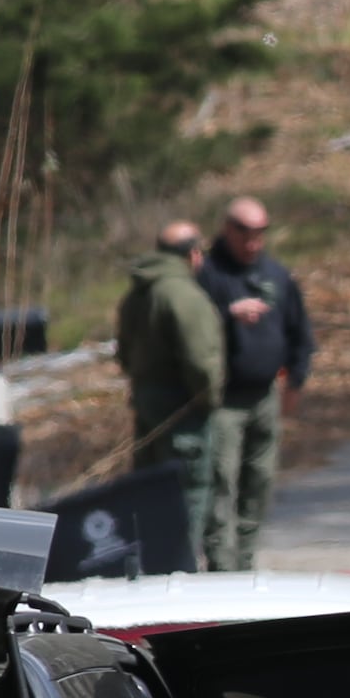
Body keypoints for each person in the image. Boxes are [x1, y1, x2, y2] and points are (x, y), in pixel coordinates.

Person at [191, 197, 315, 571]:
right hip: (223, 400)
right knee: (221, 482)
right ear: (227, 229)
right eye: (244, 232)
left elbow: (300, 332)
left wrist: (295, 380)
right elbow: (190, 333)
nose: (253, 242)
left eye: (260, 233)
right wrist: (227, 315)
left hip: (265, 396)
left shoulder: (276, 275)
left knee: (259, 481)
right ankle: (221, 565)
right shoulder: (208, 276)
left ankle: (244, 562)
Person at [111, 220, 227, 570]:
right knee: (188, 500)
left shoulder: (137, 292)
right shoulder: (183, 294)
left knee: (151, 499)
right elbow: (202, 360)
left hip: (148, 409)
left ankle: (154, 571)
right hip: (183, 415)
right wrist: (209, 399)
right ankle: (181, 577)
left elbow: (124, 354)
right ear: (193, 254)